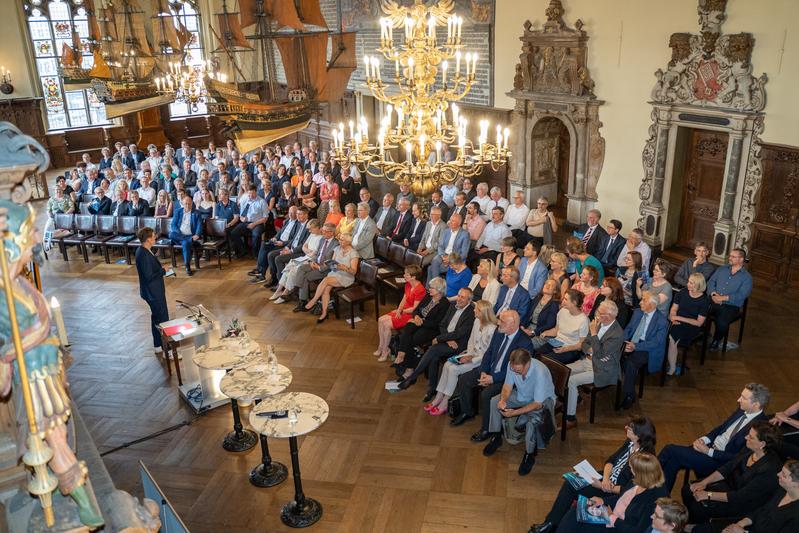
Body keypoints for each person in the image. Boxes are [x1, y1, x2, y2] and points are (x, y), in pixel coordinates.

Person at [530, 416, 658, 533]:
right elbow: (611, 460)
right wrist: (605, 478)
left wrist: (602, 485)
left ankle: (552, 526)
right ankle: (550, 523)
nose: (626, 428)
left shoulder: (644, 460)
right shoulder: (630, 442)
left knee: (572, 488)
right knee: (571, 480)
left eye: (630, 428)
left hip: (613, 490)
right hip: (607, 480)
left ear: (638, 436)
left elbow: (629, 490)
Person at [658, 383, 770, 492]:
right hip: (709, 448)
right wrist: (704, 439)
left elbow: (738, 457)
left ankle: (646, 474)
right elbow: (721, 428)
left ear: (756, 404)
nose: (738, 399)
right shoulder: (742, 409)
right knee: (673, 461)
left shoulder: (760, 428)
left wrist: (708, 451)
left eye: (743, 398)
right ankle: (660, 495)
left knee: (670, 449)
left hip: (719, 462)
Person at [682, 421, 783, 526]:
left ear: (762, 444)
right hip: (728, 487)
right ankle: (688, 522)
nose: (746, 437)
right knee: (688, 490)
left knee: (697, 508)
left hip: (741, 504)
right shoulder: (750, 449)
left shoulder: (769, 470)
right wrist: (704, 482)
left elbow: (740, 497)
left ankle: (695, 526)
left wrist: (708, 494)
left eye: (751, 437)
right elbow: (728, 467)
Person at [450, 310, 533, 429]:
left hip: (507, 378)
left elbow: (517, 372)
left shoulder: (525, 343)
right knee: (464, 379)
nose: (498, 323)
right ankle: (467, 412)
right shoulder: (499, 332)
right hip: (490, 370)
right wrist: (483, 371)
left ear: (513, 324)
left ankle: (487, 429)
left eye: (502, 321)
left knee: (486, 394)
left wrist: (494, 378)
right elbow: (489, 352)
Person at [482, 348, 556, 475]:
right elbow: (507, 386)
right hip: (523, 395)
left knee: (532, 422)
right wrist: (503, 400)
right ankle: (496, 436)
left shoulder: (540, 372)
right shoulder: (513, 366)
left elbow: (537, 404)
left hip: (542, 402)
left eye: (519, 370)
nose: (515, 371)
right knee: (495, 402)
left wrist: (514, 413)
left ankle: (529, 454)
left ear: (528, 363)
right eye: (514, 369)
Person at [556, 452, 668, 533]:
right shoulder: (637, 481)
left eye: (632, 468)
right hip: (610, 516)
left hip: (617, 526)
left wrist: (612, 517)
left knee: (579, 524)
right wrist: (602, 500)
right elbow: (621, 497)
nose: (630, 471)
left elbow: (638, 530)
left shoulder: (655, 499)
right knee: (575, 511)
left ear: (641, 473)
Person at [397, 288, 475, 395]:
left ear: (469, 301)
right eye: (459, 296)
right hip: (447, 339)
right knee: (434, 357)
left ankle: (413, 377)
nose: (459, 299)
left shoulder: (471, 314)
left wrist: (440, 338)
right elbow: (442, 324)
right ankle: (432, 388)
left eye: (463, 297)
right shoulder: (453, 306)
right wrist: (446, 338)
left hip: (457, 344)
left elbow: (459, 333)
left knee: (433, 349)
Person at [426, 300, 497, 416]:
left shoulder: (492, 329)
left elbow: (489, 353)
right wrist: (467, 353)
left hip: (480, 361)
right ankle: (439, 396)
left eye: (476, 309)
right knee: (448, 364)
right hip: (470, 354)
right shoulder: (477, 321)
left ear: (482, 312)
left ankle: (445, 401)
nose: (473, 310)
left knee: (454, 369)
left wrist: (471, 358)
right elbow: (471, 340)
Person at [563, 300, 625, 426]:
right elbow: (585, 344)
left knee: (571, 380)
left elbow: (601, 354)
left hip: (602, 369)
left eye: (599, 313)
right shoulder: (598, 323)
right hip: (588, 360)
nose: (596, 315)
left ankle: (570, 418)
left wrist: (594, 334)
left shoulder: (617, 333)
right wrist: (593, 349)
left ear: (609, 316)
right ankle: (575, 397)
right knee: (563, 370)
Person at [694, 460, 799, 533]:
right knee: (701, 530)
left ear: (796, 483)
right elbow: (761, 510)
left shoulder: (796, 515)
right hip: (749, 525)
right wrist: (740, 524)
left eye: (784, 475)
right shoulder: (781, 490)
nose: (778, 474)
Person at [618, 291, 669, 409]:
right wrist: (624, 341)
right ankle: (609, 378)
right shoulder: (637, 312)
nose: (640, 302)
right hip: (632, 341)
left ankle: (629, 395)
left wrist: (635, 346)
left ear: (652, 305)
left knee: (630, 363)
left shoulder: (661, 321)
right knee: (615, 351)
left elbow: (656, 343)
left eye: (644, 300)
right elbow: (629, 329)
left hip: (647, 348)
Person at [392, 277, 451, 372]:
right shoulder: (428, 296)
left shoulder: (445, 304)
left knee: (411, 339)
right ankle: (402, 357)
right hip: (419, 321)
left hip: (431, 328)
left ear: (439, 290)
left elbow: (437, 324)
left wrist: (421, 321)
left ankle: (408, 366)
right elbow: (416, 310)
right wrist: (416, 317)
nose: (429, 289)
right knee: (407, 329)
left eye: (432, 288)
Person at [303, 233, 359, 323]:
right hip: (335, 273)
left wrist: (345, 268)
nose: (340, 241)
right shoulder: (337, 249)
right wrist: (332, 265)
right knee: (325, 290)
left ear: (348, 242)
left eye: (342, 240)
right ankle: (324, 313)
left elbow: (354, 271)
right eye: (340, 239)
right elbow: (332, 264)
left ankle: (313, 301)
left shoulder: (354, 253)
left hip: (346, 276)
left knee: (325, 280)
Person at [374, 265, 427, 361]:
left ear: (413, 277)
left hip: (411, 315)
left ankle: (386, 350)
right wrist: (398, 309)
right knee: (380, 319)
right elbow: (404, 299)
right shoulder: (408, 284)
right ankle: (381, 347)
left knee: (386, 325)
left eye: (406, 274)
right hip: (403, 310)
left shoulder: (420, 290)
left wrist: (401, 311)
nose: (404, 275)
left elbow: (414, 309)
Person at [706, 248, 753, 351]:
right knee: (698, 308)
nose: (729, 258)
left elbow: (742, 295)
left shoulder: (747, 278)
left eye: (733, 256)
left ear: (741, 259)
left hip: (730, 305)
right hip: (713, 299)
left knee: (722, 322)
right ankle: (702, 333)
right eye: (730, 255)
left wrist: (722, 298)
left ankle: (716, 340)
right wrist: (713, 294)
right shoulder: (722, 269)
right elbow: (711, 282)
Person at [134, 227, 170, 354]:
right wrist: (163, 270)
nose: (155, 237)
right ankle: (168, 351)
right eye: (154, 236)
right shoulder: (143, 254)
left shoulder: (143, 250)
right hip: (153, 293)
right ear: (148, 239)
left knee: (156, 318)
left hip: (152, 291)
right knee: (163, 320)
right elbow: (149, 276)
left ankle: (158, 345)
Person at [666, 273, 710, 375]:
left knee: (672, 337)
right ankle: (663, 360)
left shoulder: (704, 301)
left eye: (691, 283)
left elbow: (699, 323)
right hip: (677, 320)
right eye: (689, 281)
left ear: (698, 285)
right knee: (662, 331)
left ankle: (672, 367)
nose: (688, 284)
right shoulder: (682, 292)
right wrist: (672, 317)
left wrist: (678, 318)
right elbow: (674, 309)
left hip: (692, 325)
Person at [270, 219, 322, 304]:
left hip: (311, 260)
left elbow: (314, 254)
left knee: (293, 270)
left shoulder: (321, 238)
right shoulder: (312, 234)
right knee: (289, 266)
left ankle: (285, 293)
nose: (309, 231)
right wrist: (308, 251)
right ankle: (279, 290)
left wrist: (307, 250)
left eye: (311, 229)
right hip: (305, 256)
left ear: (317, 228)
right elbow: (304, 247)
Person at [533, 289, 589, 364]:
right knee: (535, 355)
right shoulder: (563, 311)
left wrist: (565, 349)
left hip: (571, 348)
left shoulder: (583, 320)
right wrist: (546, 333)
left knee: (546, 361)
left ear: (574, 303)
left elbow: (581, 345)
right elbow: (556, 330)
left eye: (566, 299)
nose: (563, 300)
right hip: (557, 342)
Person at [428, 213, 470, 284]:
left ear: (459, 223)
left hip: (455, 259)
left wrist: (450, 259)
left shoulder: (465, 234)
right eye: (450, 220)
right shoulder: (446, 231)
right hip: (443, 255)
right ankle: (434, 287)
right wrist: (443, 256)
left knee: (430, 269)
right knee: (435, 260)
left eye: (453, 221)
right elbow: (440, 246)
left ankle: (434, 287)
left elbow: (464, 254)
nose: (450, 222)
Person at [230, 185, 269, 258]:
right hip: (246, 222)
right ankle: (243, 250)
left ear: (256, 192)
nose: (250, 195)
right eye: (249, 193)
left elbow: (265, 218)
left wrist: (254, 224)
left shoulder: (262, 202)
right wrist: (242, 219)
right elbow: (241, 215)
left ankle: (255, 254)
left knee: (256, 235)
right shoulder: (246, 201)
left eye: (252, 193)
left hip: (258, 223)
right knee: (233, 233)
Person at [169, 196, 202, 275]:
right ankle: (188, 239)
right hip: (179, 236)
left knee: (185, 243)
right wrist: (180, 234)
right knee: (171, 234)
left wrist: (197, 234)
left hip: (190, 235)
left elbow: (199, 225)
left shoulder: (197, 213)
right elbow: (173, 225)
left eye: (189, 204)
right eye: (185, 204)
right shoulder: (177, 211)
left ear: (192, 204)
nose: (187, 205)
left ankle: (187, 266)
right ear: (182, 204)